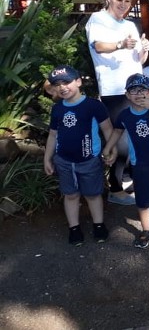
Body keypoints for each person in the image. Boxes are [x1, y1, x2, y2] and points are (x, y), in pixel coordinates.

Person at [86, 0, 149, 206]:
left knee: (136, 135)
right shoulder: (97, 19)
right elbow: (98, 46)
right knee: (120, 139)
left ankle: (125, 179)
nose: (123, 4)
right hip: (114, 89)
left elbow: (139, 59)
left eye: (127, 1)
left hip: (135, 87)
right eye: (119, 0)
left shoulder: (130, 24)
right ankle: (115, 189)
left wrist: (144, 49)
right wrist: (121, 44)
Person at [102, 74, 149, 248]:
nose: (138, 93)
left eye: (142, 90)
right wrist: (108, 148)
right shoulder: (124, 115)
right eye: (133, 90)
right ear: (127, 95)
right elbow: (117, 131)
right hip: (140, 163)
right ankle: (146, 229)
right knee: (143, 198)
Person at [43, 65, 113, 246]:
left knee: (93, 195)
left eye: (66, 82)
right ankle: (74, 228)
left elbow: (107, 129)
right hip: (64, 161)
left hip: (89, 160)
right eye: (57, 84)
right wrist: (47, 158)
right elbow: (53, 135)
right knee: (70, 195)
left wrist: (111, 149)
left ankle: (98, 225)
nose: (62, 87)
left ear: (79, 81)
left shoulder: (93, 105)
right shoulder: (57, 108)